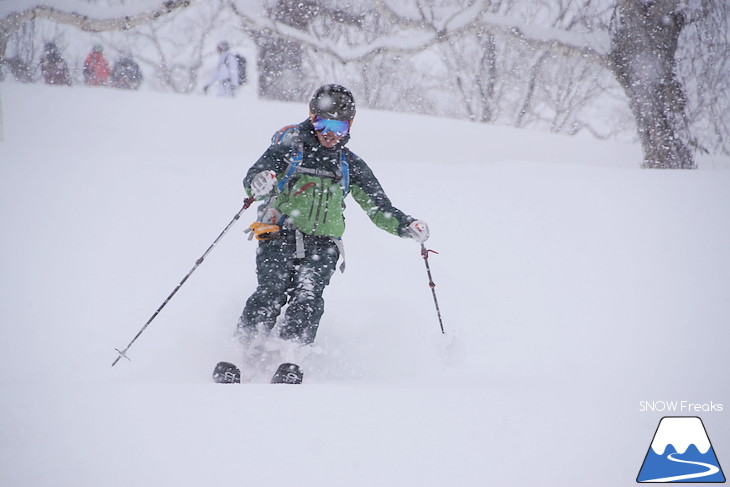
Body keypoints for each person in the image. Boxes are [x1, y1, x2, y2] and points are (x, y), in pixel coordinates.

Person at [238, 84, 430, 346]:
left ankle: (292, 354)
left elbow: (378, 206)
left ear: (349, 127)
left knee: (308, 296)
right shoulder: (289, 151)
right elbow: (254, 180)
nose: (330, 135)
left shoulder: (348, 163)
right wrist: (259, 182)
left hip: (323, 245)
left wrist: (405, 225)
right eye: (323, 126)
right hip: (278, 236)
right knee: (270, 292)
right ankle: (243, 349)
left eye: (339, 128)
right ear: (312, 118)